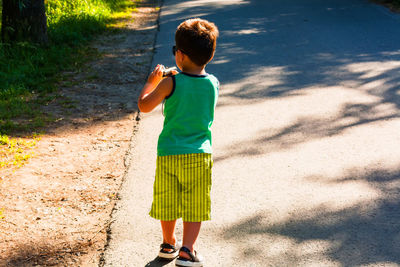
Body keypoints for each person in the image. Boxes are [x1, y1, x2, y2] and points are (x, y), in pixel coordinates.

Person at [137, 18, 219, 267]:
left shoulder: (169, 82)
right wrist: (178, 73)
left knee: (167, 200)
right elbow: (193, 86)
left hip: (169, 154)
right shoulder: (213, 83)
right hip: (199, 155)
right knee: (195, 204)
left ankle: (168, 243)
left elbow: (144, 105)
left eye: (176, 52)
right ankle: (187, 250)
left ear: (180, 55)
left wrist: (152, 83)